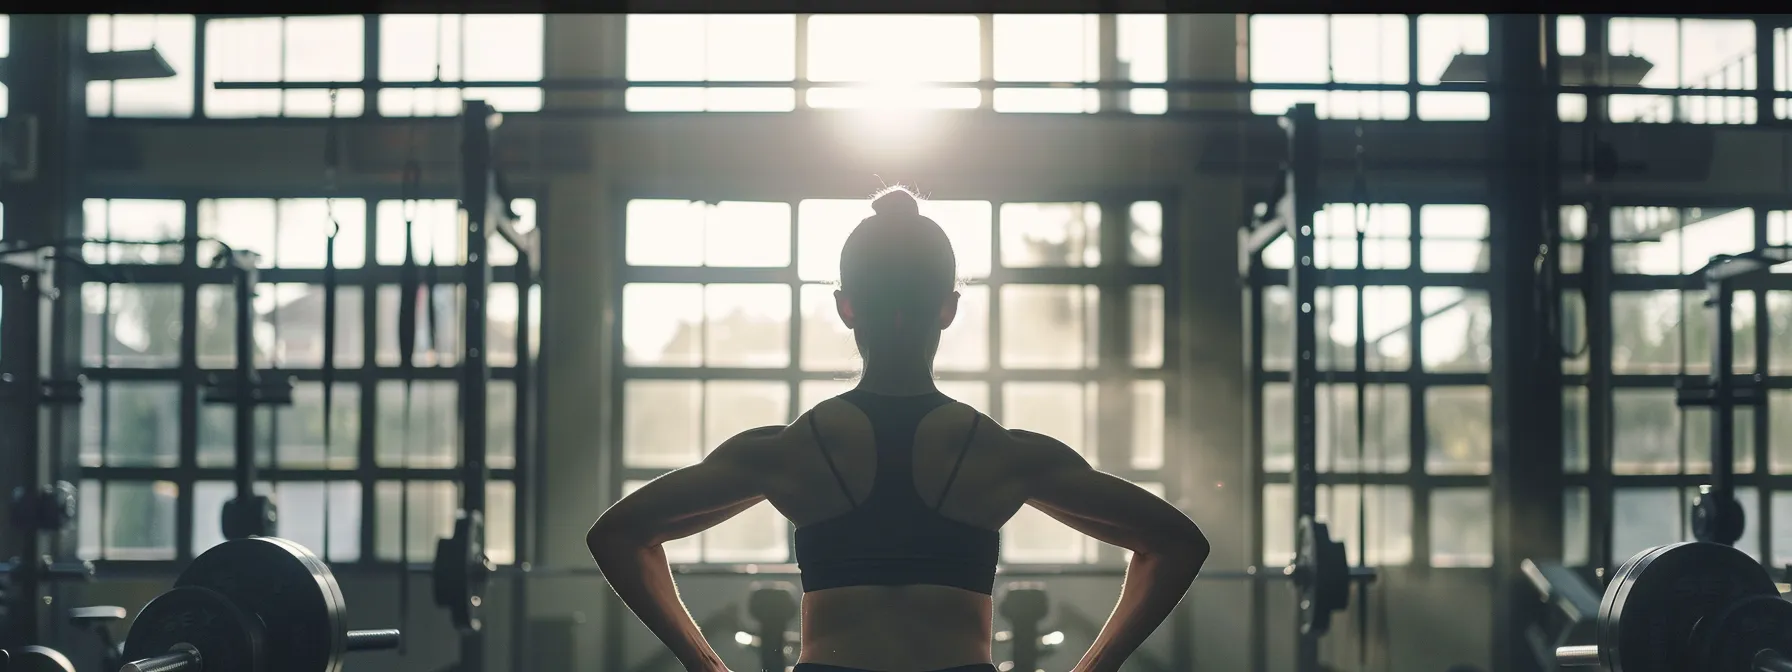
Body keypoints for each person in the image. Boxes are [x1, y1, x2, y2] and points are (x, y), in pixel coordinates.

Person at [588, 186, 1210, 672]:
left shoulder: (789, 452)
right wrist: (1096, 667)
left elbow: (619, 535)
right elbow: (1175, 543)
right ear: (949, 307)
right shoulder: (1005, 455)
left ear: (845, 307)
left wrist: (703, 662)